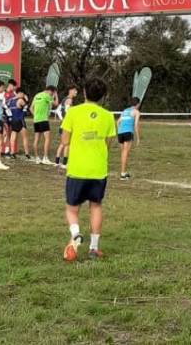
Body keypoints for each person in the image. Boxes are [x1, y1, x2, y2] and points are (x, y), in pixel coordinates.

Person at [61, 78, 115, 261]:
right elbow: (108, 143)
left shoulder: (73, 112)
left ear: (84, 91)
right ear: (102, 96)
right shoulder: (108, 116)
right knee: (96, 206)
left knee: (71, 209)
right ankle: (94, 248)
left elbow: (64, 141)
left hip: (77, 168)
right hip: (98, 169)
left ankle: (75, 233)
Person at [31, 85, 59, 165]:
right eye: (52, 93)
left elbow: (31, 108)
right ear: (51, 91)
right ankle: (45, 157)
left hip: (36, 120)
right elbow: (56, 104)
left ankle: (37, 158)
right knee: (47, 138)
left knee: (36, 139)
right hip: (43, 120)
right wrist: (56, 95)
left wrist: (35, 116)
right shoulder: (47, 96)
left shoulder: (37, 95)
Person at [116, 97, 141, 180]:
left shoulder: (125, 110)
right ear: (138, 104)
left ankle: (125, 172)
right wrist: (138, 138)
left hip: (120, 133)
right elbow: (136, 125)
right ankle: (123, 174)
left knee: (123, 153)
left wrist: (120, 130)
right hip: (128, 132)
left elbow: (118, 122)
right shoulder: (136, 112)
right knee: (125, 153)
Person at [54, 85, 78, 169]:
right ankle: (64, 163)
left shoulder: (64, 99)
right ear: (70, 90)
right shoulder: (70, 100)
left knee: (62, 143)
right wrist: (67, 120)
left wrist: (62, 120)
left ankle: (56, 162)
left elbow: (57, 110)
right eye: (74, 90)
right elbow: (68, 112)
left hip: (63, 124)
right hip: (67, 125)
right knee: (67, 144)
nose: (76, 92)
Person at [8, 87, 32, 160]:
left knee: (13, 136)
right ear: (20, 93)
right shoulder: (20, 100)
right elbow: (27, 108)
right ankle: (27, 153)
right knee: (25, 137)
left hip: (13, 120)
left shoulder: (10, 100)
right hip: (19, 120)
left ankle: (12, 152)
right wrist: (27, 100)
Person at [0, 79, 17, 156]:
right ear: (10, 85)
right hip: (4, 115)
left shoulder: (14, 93)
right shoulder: (3, 93)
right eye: (13, 86)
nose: (14, 88)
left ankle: (6, 151)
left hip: (11, 115)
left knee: (8, 133)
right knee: (5, 133)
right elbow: (2, 104)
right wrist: (6, 108)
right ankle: (0, 148)